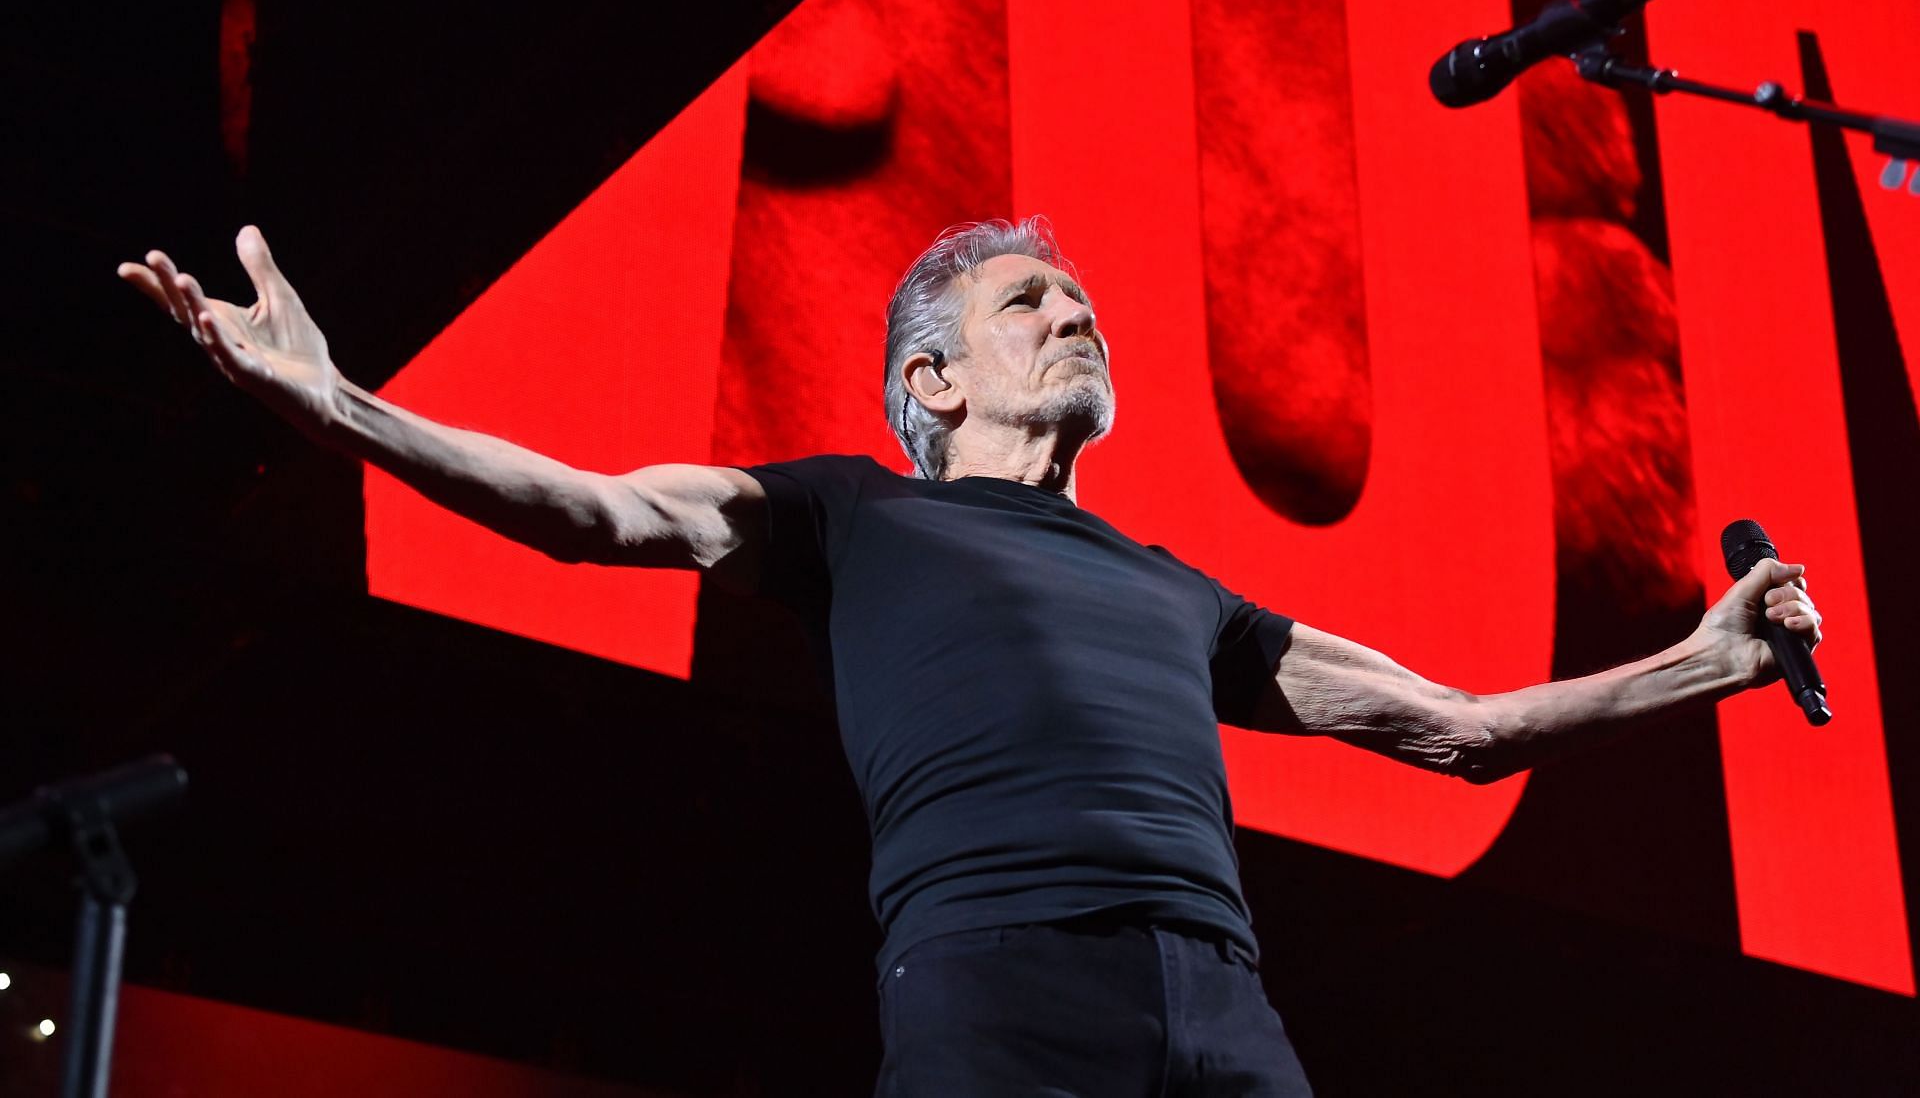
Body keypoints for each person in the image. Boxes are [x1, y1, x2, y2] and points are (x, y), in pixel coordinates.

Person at [119, 217, 1822, 1096]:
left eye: (1083, 309)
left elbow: (1454, 728)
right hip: (1001, 983)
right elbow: (595, 514)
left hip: (1217, 997)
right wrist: (338, 408)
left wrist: (1705, 663)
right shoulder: (852, 515)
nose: (1077, 321)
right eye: (1032, 307)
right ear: (929, 381)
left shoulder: (1179, 588)